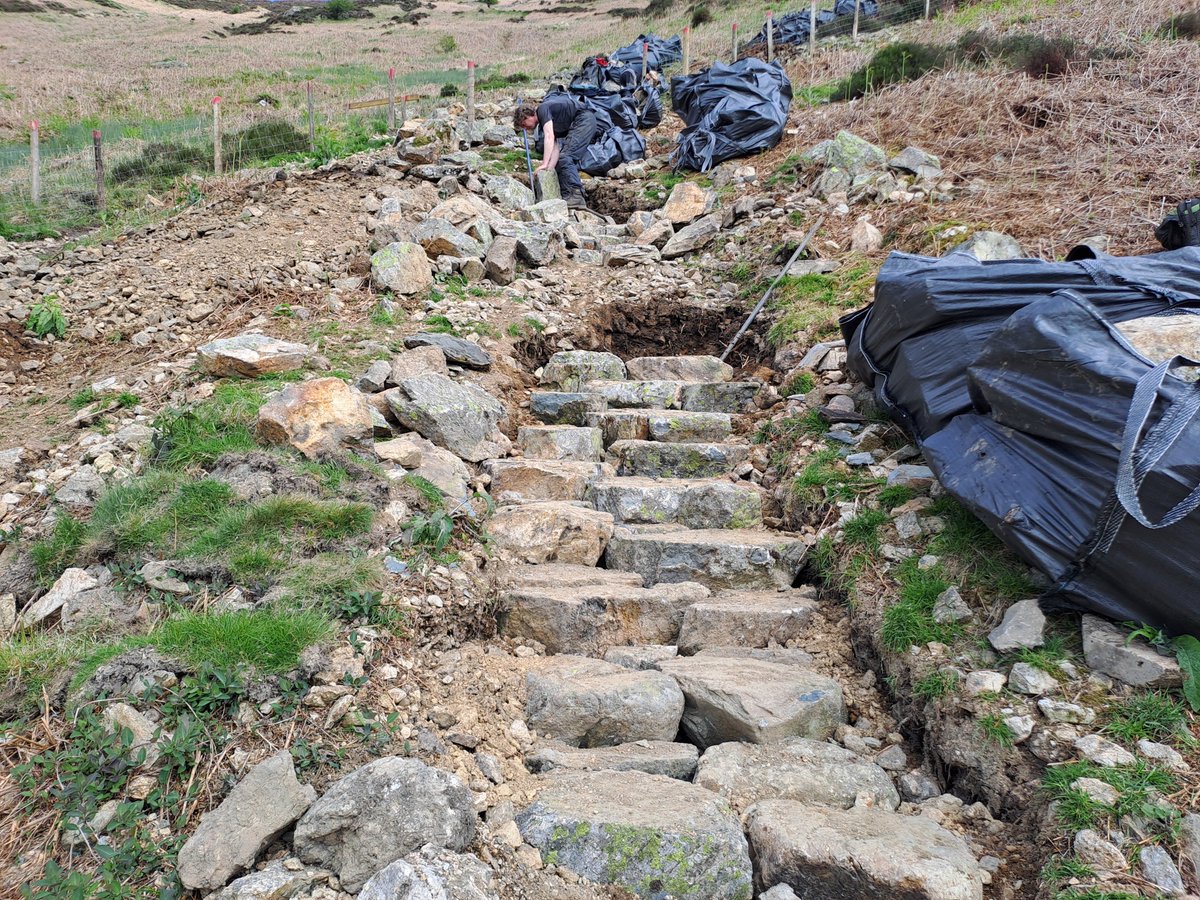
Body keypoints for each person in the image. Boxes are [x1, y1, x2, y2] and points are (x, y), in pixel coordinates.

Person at [513, 96, 598, 210]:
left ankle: (576, 195)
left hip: (584, 119)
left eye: (524, 124)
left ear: (528, 115)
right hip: (582, 121)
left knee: (566, 157)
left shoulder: (543, 110)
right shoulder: (546, 121)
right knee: (561, 160)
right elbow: (555, 147)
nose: (525, 128)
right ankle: (568, 195)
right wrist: (549, 168)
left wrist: (543, 163)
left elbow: (549, 136)